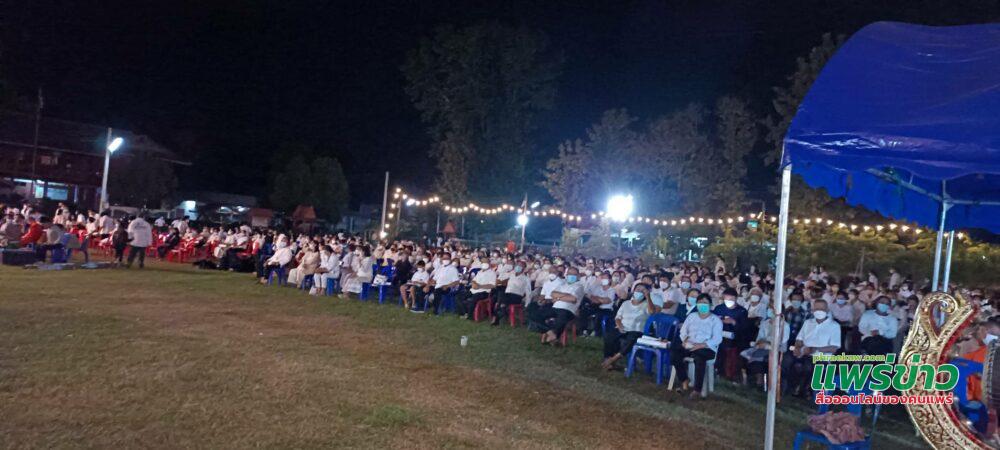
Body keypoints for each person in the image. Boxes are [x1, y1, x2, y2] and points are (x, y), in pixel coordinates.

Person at [782, 299, 840, 396]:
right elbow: (799, 339)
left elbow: (834, 347)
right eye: (816, 308)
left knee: (807, 365)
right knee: (787, 358)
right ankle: (785, 387)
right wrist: (798, 348)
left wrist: (815, 349)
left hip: (821, 356)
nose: (819, 311)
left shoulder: (834, 326)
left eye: (822, 309)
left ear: (827, 310)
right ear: (812, 310)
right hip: (804, 352)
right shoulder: (808, 323)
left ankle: (803, 389)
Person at [672, 294, 723, 399]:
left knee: (699, 358)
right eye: (700, 302)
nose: (702, 305)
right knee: (675, 353)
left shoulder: (715, 320)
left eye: (705, 302)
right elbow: (683, 331)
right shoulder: (692, 316)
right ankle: (684, 380)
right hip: (690, 344)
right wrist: (684, 341)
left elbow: (717, 339)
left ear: (710, 305)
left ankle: (697, 390)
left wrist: (701, 345)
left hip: (707, 348)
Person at [601, 283, 656, 370]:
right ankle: (608, 359)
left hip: (636, 330)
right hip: (623, 328)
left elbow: (652, 312)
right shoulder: (626, 303)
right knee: (609, 336)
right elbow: (618, 317)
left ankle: (612, 360)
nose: (639, 291)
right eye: (638, 289)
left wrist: (648, 297)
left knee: (631, 340)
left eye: (642, 290)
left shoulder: (647, 304)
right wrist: (619, 325)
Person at [742, 308, 789, 387]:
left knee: (758, 356)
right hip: (762, 346)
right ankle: (751, 380)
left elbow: (781, 344)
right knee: (744, 354)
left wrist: (767, 344)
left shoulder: (785, 326)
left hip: (776, 350)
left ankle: (762, 382)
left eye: (772, 310)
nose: (770, 311)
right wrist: (761, 343)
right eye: (769, 309)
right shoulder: (765, 323)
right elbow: (759, 339)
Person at [541, 267, 584, 344]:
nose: (571, 276)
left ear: (578, 276)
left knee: (562, 317)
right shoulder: (562, 285)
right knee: (536, 314)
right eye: (570, 274)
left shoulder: (579, 287)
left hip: (568, 310)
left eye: (574, 274)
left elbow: (573, 299)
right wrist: (566, 295)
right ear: (566, 275)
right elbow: (552, 293)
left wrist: (558, 298)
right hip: (555, 307)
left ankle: (553, 336)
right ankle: (551, 333)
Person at [492, 261, 531, 326]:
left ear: (524, 268)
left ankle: (497, 316)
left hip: (517, 297)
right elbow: (501, 277)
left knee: (500, 300)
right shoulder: (511, 275)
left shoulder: (526, 279)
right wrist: (509, 270)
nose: (518, 267)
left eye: (520, 266)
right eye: (517, 265)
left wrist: (527, 304)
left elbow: (528, 292)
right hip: (507, 295)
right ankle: (501, 312)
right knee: (501, 295)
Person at [580, 271, 617, 336]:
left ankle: (596, 332)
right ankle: (584, 330)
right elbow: (591, 297)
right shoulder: (597, 287)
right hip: (595, 306)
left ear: (610, 280)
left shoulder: (612, 290)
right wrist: (600, 299)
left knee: (599, 316)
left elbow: (607, 301)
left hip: (606, 309)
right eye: (602, 278)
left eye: (605, 278)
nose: (603, 280)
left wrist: (597, 298)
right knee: (584, 311)